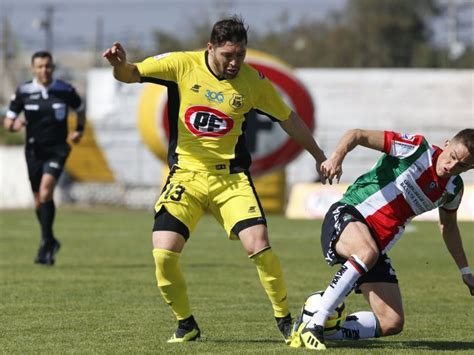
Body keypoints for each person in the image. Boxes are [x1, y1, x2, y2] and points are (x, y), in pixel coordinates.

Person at [103, 15, 327, 344]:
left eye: (241, 55)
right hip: (187, 175)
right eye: (228, 55)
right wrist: (118, 65)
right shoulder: (181, 64)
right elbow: (131, 73)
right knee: (163, 254)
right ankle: (185, 324)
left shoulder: (253, 83)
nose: (235, 62)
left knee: (260, 245)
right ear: (210, 48)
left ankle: (286, 321)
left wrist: (319, 155)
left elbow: (289, 119)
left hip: (231, 180)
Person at [290, 128, 474, 350]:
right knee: (366, 253)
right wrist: (336, 158)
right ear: (446, 144)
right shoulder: (415, 149)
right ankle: (315, 323)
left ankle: (329, 330)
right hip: (350, 213)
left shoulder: (453, 189)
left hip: (375, 247)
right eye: (452, 156)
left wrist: (465, 272)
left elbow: (449, 227)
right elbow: (357, 135)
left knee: (391, 322)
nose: (451, 166)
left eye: (462, 166)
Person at [3, 51, 86, 266]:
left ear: (53, 67)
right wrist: (15, 125)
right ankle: (49, 240)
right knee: (39, 200)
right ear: (33, 69)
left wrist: (78, 130)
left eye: (48, 66)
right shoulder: (23, 92)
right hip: (33, 152)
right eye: (40, 66)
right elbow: (8, 120)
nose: (44, 70)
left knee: (46, 191)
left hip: (58, 150)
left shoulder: (65, 90)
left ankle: (46, 243)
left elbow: (80, 108)